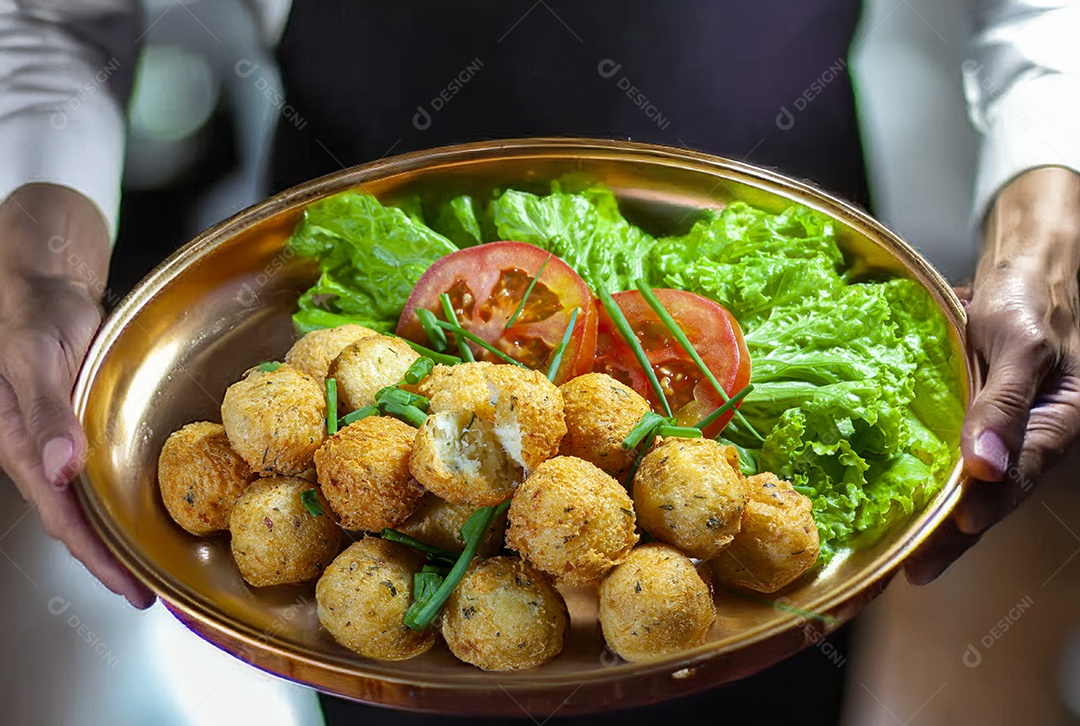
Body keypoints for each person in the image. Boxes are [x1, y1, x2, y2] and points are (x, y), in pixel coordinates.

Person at [1, 0, 1078, 721]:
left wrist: (1045, 245)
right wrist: (41, 283)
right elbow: (57, 17)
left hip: (746, 231)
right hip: (368, 197)